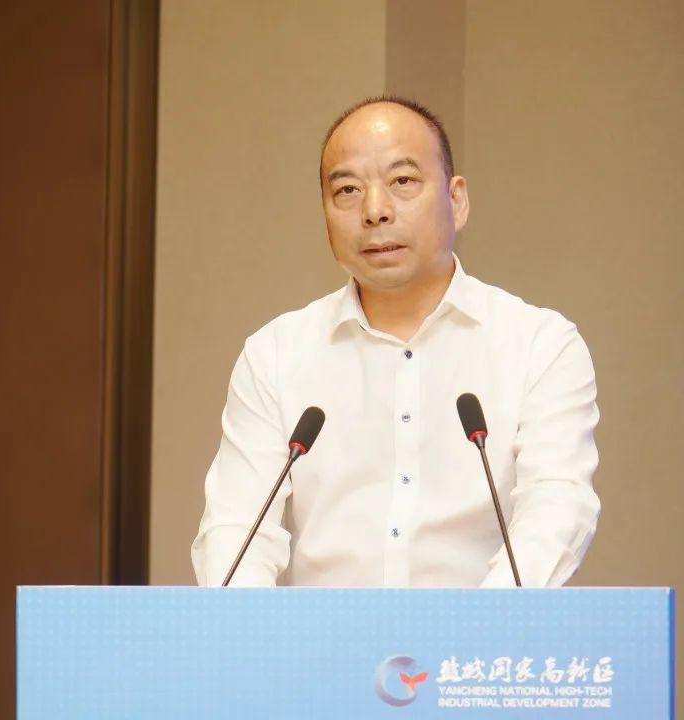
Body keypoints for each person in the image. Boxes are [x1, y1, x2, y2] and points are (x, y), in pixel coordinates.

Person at [191, 96, 600, 587]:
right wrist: (244, 628)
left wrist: (485, 624)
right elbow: (237, 528)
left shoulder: (540, 345)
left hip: (481, 632)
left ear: (457, 200)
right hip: (322, 635)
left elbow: (557, 506)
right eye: (347, 190)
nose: (375, 211)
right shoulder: (276, 354)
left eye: (402, 181)